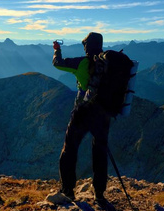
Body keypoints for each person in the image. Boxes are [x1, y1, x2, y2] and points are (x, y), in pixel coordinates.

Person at [52, 32, 114, 210]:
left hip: (82, 112)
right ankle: (100, 195)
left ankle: (68, 190)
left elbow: (57, 63)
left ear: (87, 46)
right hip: (103, 114)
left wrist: (57, 50)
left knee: (69, 149)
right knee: (100, 152)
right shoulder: (108, 63)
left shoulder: (82, 62)